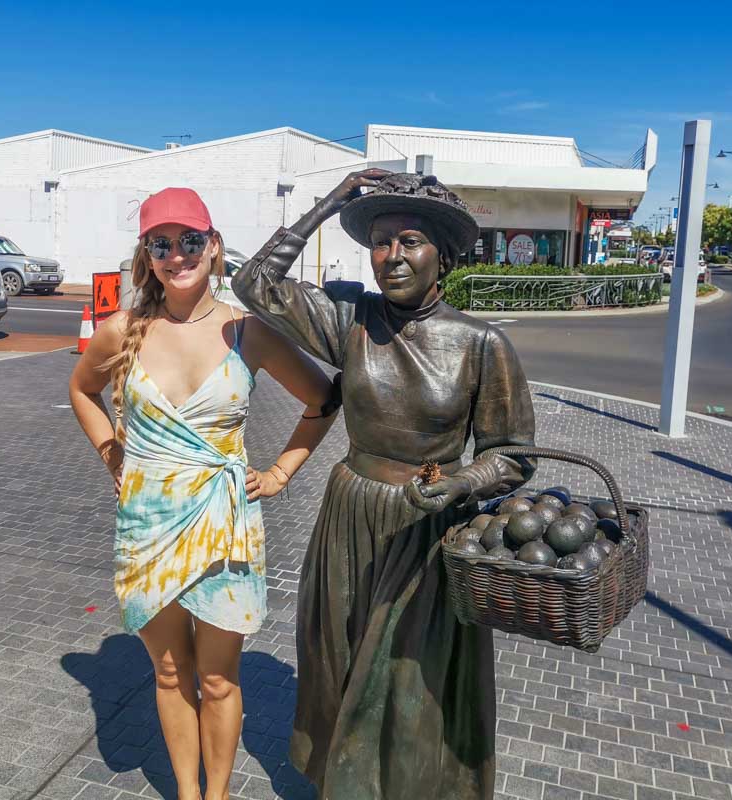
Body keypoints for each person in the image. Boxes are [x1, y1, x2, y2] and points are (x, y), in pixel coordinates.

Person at [233, 170, 537, 799]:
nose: (392, 256)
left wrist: (459, 486)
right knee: (337, 657)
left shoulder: (483, 344)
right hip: (350, 513)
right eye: (379, 242)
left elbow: (511, 455)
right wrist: (332, 200)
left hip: (425, 525)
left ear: (443, 256)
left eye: (411, 241)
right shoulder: (351, 319)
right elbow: (253, 284)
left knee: (406, 675)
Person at [68, 187, 338, 800]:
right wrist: (112, 452)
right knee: (168, 673)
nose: (177, 254)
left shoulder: (250, 333)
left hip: (225, 522)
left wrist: (280, 473)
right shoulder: (121, 331)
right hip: (147, 524)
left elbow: (323, 400)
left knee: (217, 678)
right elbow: (81, 391)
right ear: (147, 253)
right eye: (161, 243)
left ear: (213, 246)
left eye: (190, 240)